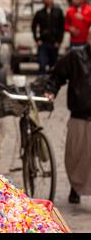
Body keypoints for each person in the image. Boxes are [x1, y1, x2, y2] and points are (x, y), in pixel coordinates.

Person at [45, 38, 91, 204]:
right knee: (76, 154)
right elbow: (57, 75)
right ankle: (76, 187)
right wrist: (50, 91)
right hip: (79, 112)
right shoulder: (75, 55)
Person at [32, 0, 65, 74]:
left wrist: (59, 41)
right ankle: (40, 84)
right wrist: (37, 39)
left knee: (53, 66)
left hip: (54, 42)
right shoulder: (39, 13)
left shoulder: (58, 11)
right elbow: (33, 26)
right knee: (42, 64)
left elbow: (62, 27)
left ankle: (50, 85)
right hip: (43, 42)